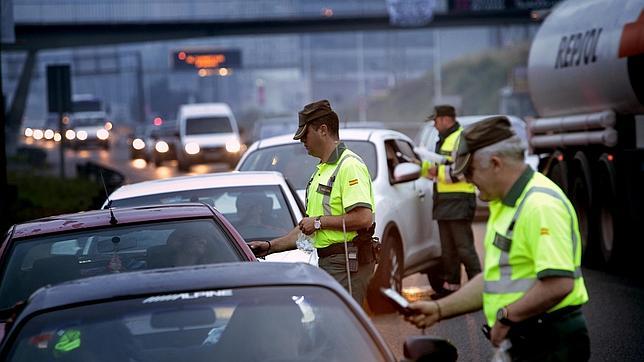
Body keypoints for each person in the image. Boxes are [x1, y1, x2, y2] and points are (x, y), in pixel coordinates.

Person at [404, 116, 590, 361]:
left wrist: (506, 316)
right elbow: (494, 279)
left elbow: (559, 283)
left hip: (551, 341)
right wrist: (438, 310)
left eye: (469, 172)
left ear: (495, 163)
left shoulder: (539, 206)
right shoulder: (505, 203)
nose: (467, 180)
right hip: (527, 337)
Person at [248, 99, 376, 305]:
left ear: (323, 130)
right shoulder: (322, 170)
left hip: (345, 263)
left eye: (305, 134)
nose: (301, 141)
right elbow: (306, 228)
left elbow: (363, 218)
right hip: (330, 262)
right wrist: (270, 247)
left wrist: (318, 222)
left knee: (337, 331)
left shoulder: (348, 166)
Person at [421, 105, 481, 299]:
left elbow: (461, 171)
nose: (434, 125)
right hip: (444, 201)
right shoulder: (444, 139)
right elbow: (437, 167)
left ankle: (478, 289)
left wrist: (435, 173)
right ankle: (452, 288)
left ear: (446, 119)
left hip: (460, 201)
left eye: (436, 121)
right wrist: (419, 166)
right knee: (448, 250)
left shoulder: (461, 139)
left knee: (464, 248)